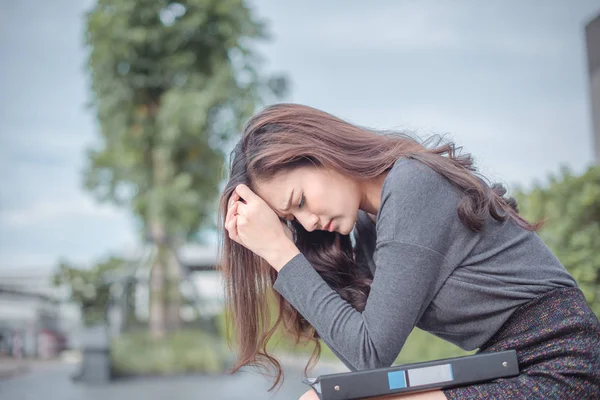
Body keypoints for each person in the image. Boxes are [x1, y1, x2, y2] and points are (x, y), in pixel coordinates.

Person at [219, 103, 600, 399]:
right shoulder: (371, 226)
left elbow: (369, 353)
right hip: (507, 364)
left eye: (300, 200)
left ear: (322, 153)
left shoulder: (411, 185)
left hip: (564, 362)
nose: (308, 223)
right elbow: (361, 350)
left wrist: (281, 253)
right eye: (292, 219)